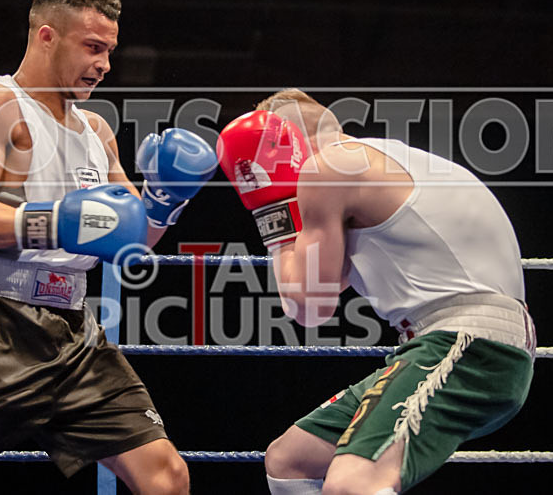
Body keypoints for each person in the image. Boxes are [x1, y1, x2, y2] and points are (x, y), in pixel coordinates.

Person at [0, 0, 216, 495]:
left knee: (167, 476)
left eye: (109, 50)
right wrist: (57, 221)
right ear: (46, 36)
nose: (104, 64)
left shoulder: (97, 132)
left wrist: (164, 201)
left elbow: (134, 242)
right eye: (92, 47)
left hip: (73, 330)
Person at [216, 89, 536, 495]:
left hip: (469, 347)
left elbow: (309, 307)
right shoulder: (379, 160)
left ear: (286, 147)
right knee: (291, 460)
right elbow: (328, 282)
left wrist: (271, 210)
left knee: (353, 485)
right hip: (466, 344)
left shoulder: (327, 170)